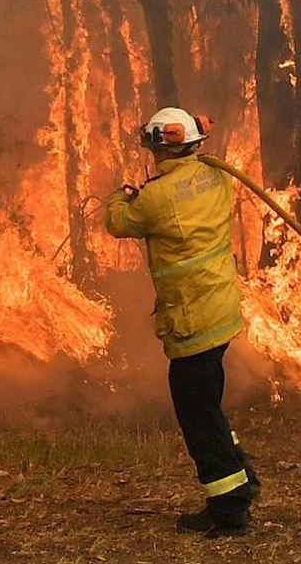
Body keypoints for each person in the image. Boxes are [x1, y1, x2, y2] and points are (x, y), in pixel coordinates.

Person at [104, 107, 260, 537]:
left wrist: (121, 193)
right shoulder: (218, 177)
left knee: (198, 413)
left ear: (159, 148)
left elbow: (118, 222)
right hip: (221, 315)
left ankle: (229, 509)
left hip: (192, 323)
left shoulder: (154, 198)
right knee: (207, 405)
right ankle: (241, 480)